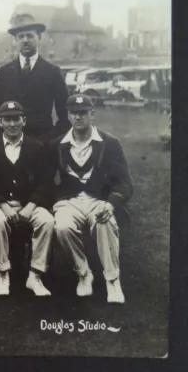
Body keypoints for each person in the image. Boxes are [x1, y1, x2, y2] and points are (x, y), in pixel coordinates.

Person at [51, 94, 133, 304]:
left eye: (83, 113)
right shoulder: (58, 144)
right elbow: (47, 180)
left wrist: (110, 203)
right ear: (68, 116)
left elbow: (124, 183)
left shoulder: (109, 143)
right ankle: (84, 273)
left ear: (92, 115)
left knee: (104, 221)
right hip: (71, 201)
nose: (78, 118)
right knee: (62, 226)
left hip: (99, 199)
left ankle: (113, 280)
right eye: (73, 113)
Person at [0, 101, 55, 297]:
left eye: (16, 119)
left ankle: (35, 275)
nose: (12, 123)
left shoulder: (37, 147)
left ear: (24, 120)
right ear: (0, 122)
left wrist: (31, 205)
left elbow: (46, 182)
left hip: (29, 204)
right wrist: (2, 204)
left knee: (47, 221)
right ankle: (2, 273)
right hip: (1, 205)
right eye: (7, 119)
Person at [0, 14, 70, 144]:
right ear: (15, 40)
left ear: (38, 37)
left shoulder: (52, 72)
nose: (25, 40)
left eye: (29, 35)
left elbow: (65, 116)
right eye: (21, 36)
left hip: (41, 146)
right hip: (9, 145)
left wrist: (49, 140)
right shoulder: (4, 72)